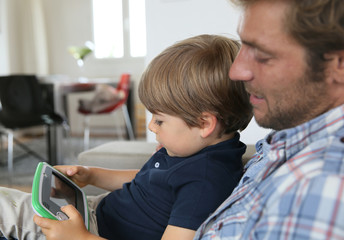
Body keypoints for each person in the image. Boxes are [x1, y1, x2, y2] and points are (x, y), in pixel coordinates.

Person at [0, 34, 253, 240]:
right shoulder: (188, 147)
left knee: (7, 208)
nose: (152, 126)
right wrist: (92, 174)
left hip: (93, 233)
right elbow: (146, 179)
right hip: (98, 211)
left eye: (160, 119)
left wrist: (81, 238)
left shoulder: (205, 182)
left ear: (204, 123)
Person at [194, 0, 344, 239]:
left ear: (343, 63)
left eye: (263, 56)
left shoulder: (316, 191)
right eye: (243, 46)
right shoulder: (293, 136)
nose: (236, 72)